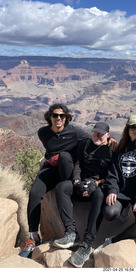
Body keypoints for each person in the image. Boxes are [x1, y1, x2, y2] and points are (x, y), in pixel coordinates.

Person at [19, 103, 91, 258]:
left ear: (66, 118)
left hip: (67, 171)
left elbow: (92, 140)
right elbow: (49, 150)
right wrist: (50, 159)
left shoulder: (75, 132)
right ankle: (33, 238)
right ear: (50, 117)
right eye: (55, 115)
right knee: (34, 193)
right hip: (51, 169)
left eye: (62, 115)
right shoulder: (43, 133)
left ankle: (62, 187)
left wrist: (110, 139)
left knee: (64, 156)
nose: (58, 118)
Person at [93, 115, 136, 255]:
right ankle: (123, 210)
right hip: (122, 193)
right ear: (127, 128)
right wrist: (112, 190)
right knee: (109, 213)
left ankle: (113, 241)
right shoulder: (121, 146)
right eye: (132, 127)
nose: (135, 130)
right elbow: (113, 171)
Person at [53, 122, 113, 268]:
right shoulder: (85, 144)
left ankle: (86, 244)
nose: (97, 136)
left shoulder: (112, 149)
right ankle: (72, 233)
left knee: (99, 195)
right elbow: (78, 164)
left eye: (101, 134)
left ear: (108, 135)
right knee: (62, 187)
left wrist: (97, 183)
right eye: (95, 133)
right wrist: (77, 181)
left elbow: (112, 174)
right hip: (81, 183)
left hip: (98, 185)